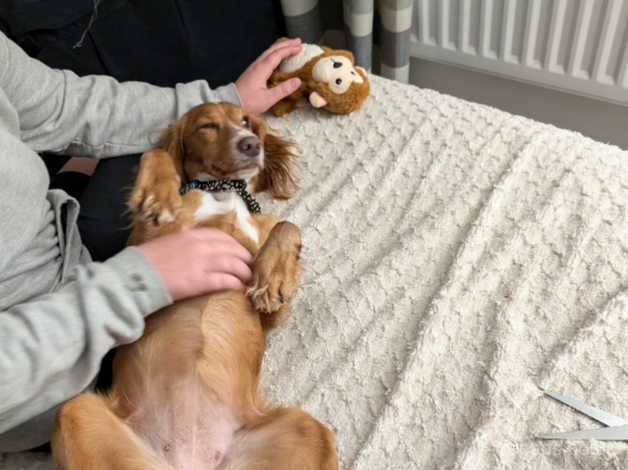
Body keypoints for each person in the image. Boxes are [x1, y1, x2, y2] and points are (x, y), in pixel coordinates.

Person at [0, 30, 302, 452]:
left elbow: (59, 103)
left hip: (71, 258)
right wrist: (136, 282)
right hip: (42, 376)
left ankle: (74, 175)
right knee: (141, 159)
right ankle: (76, 173)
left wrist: (228, 97)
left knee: (128, 154)